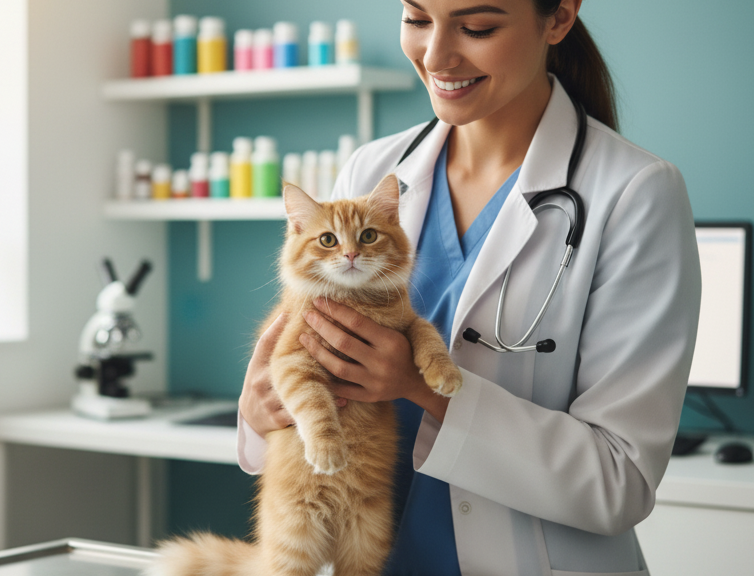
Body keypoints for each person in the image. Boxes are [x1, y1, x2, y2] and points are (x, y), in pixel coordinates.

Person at [237, 0, 701, 574]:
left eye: (476, 27)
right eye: (416, 19)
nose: (436, 56)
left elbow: (618, 481)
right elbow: (300, 361)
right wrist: (261, 411)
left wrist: (420, 386)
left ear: (557, 19)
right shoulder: (372, 171)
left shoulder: (634, 193)